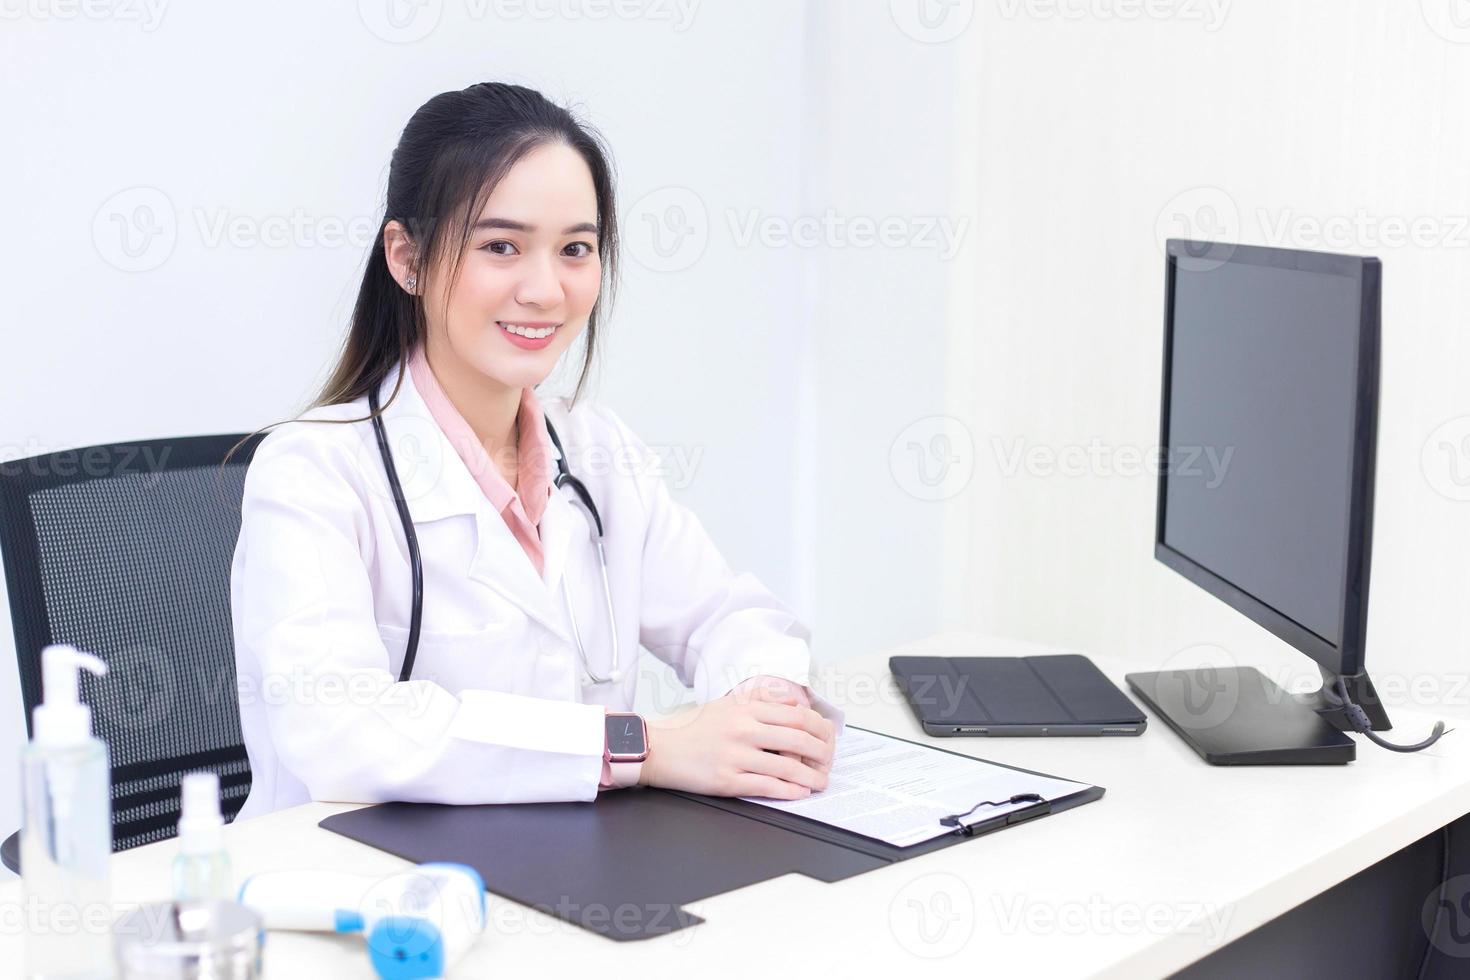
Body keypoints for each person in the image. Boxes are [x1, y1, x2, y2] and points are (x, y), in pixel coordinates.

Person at [228, 82, 842, 820]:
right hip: (364, 892)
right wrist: (642, 746)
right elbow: (338, 729)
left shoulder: (596, 449)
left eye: (575, 249)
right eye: (500, 246)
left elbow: (724, 617)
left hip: (571, 871)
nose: (545, 289)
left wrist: (766, 706)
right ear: (407, 257)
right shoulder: (311, 473)